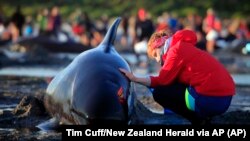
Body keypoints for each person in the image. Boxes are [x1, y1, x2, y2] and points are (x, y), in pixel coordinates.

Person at [119, 29, 235, 125]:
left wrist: (135, 78)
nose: (158, 60)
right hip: (225, 100)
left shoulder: (175, 50)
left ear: (159, 45)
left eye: (155, 55)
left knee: (160, 93)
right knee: (172, 84)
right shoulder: (182, 46)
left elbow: (162, 81)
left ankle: (196, 120)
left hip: (210, 101)